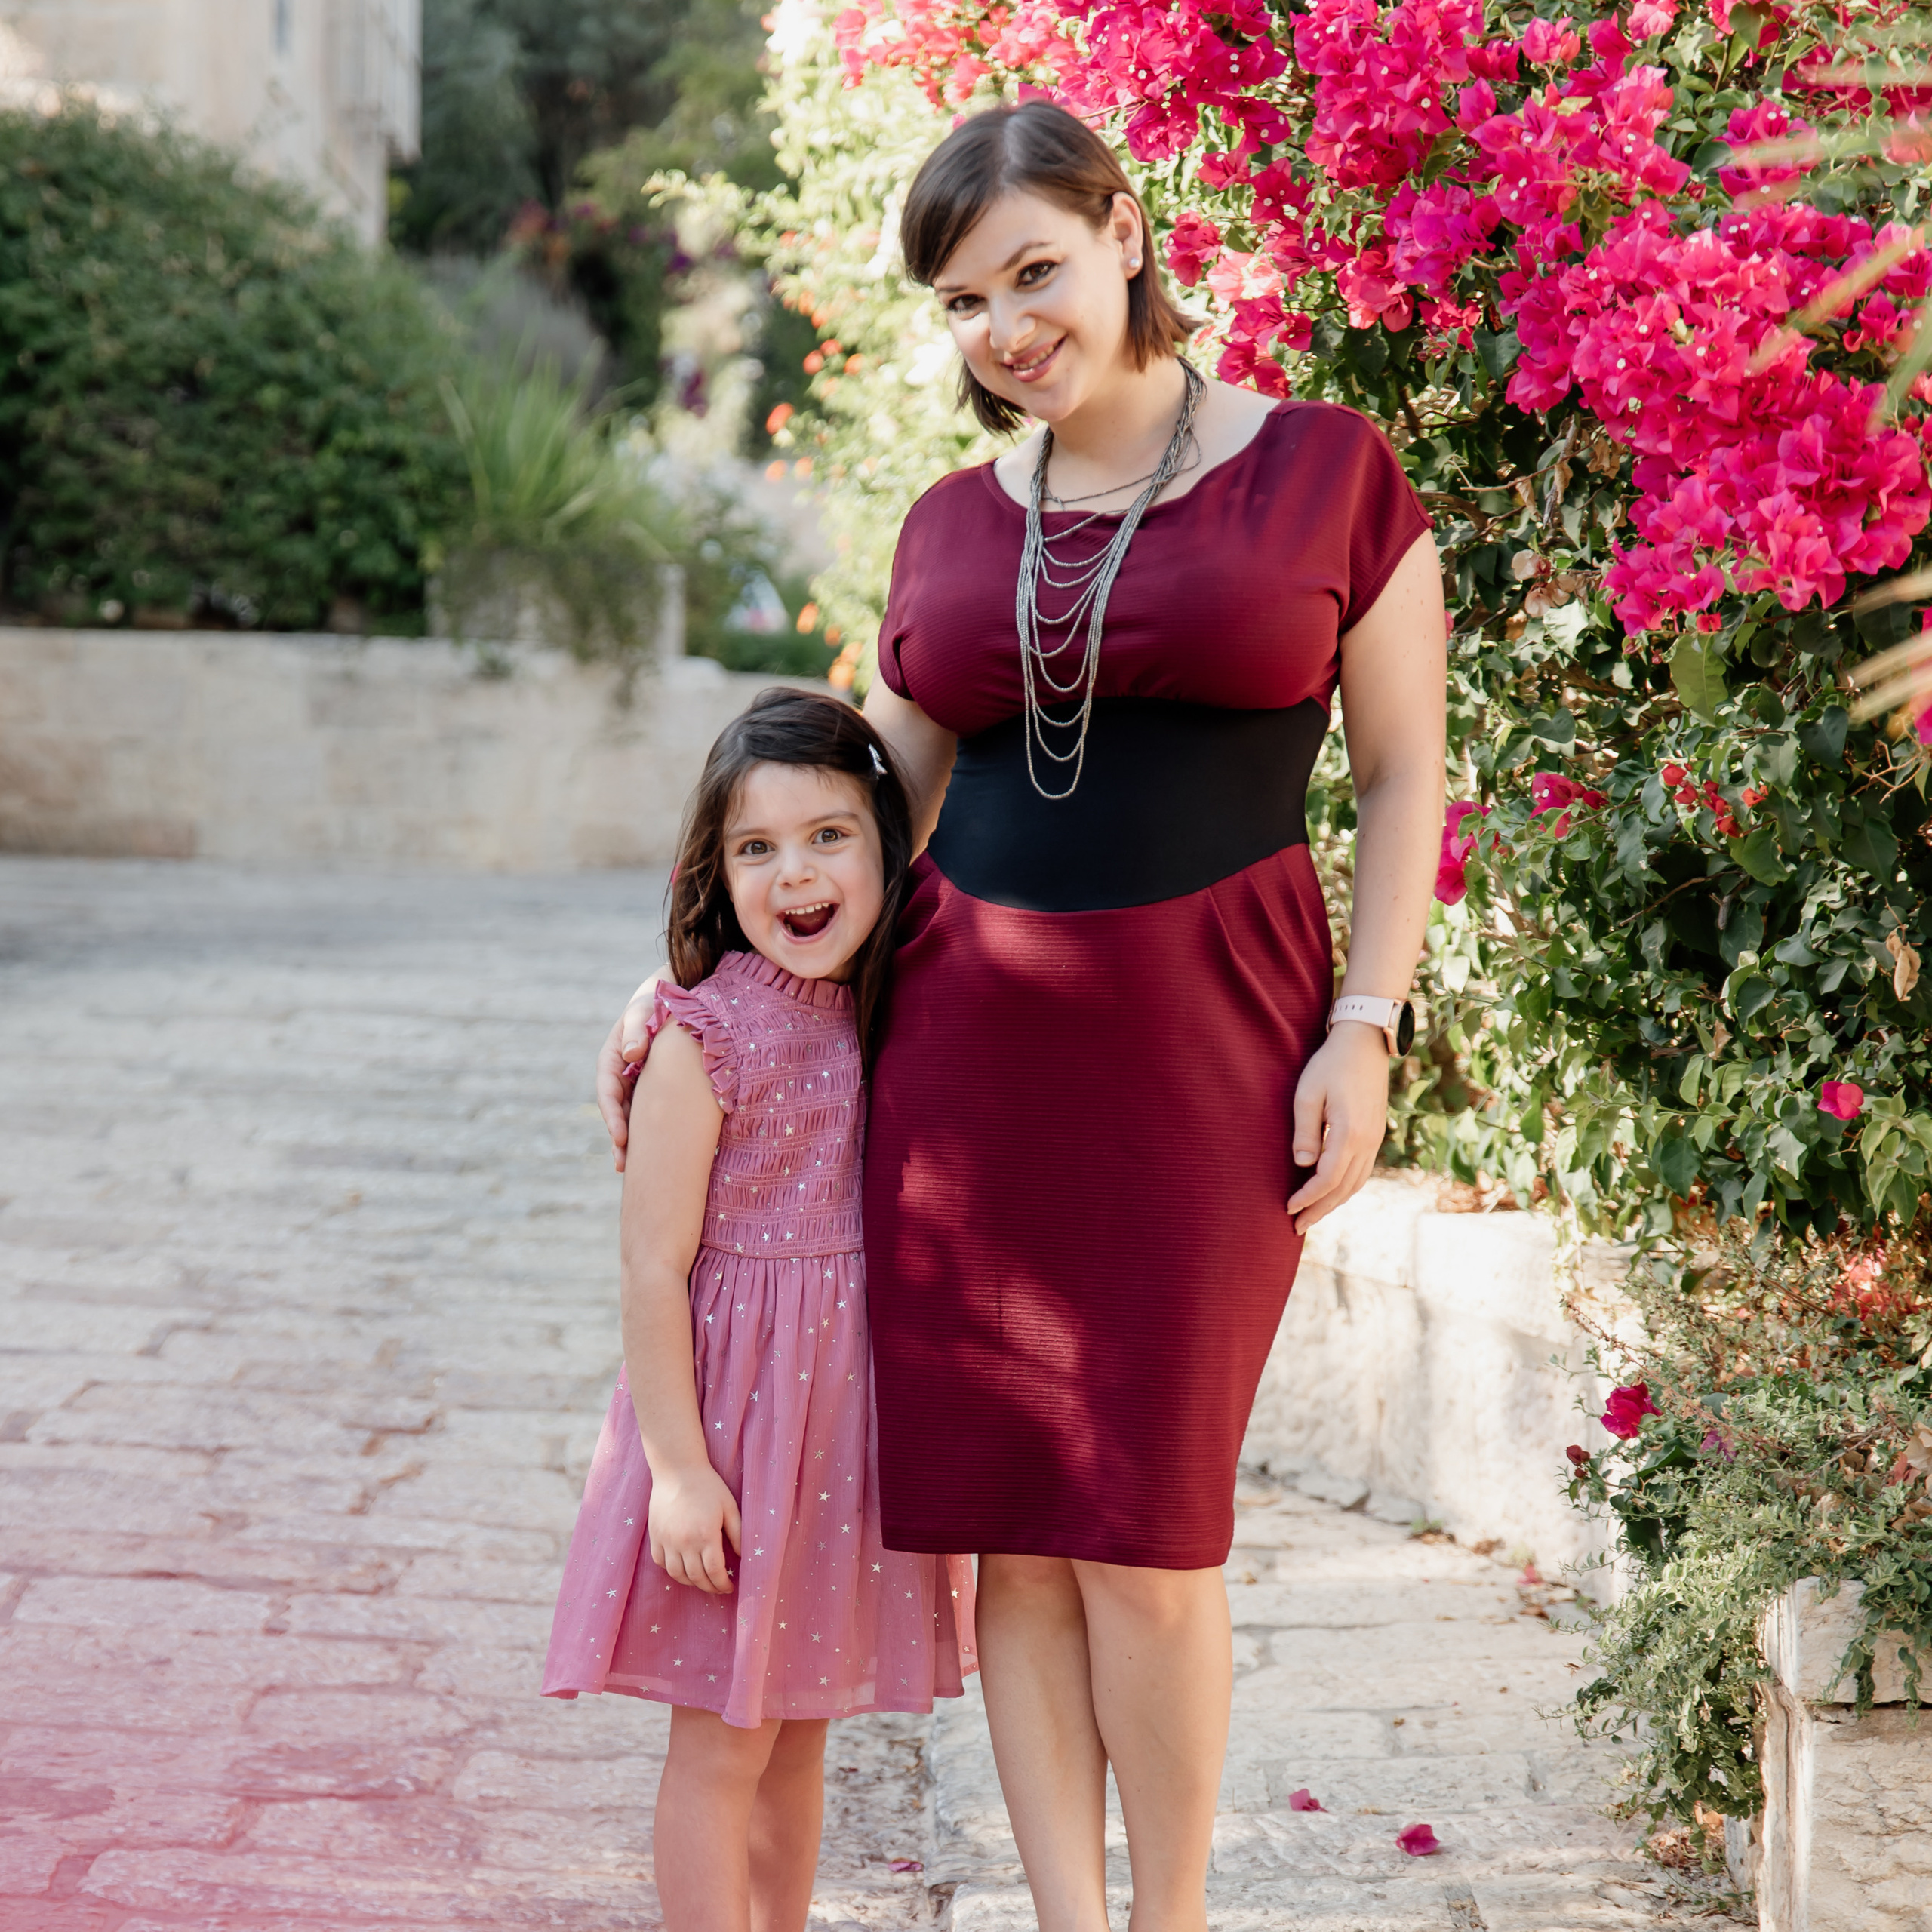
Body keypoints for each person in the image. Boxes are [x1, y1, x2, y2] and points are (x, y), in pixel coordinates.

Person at [598, 103, 1445, 1932]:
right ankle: (1069, 1915)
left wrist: (1365, 1024)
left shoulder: (1328, 473)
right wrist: (694, 969)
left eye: (1032, 272)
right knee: (1015, 1543)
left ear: (1123, 232)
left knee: (1146, 1529)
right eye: (965, 298)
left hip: (1210, 1045)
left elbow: (1397, 781)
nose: (1002, 327)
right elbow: (864, 790)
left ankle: (1168, 1918)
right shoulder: (949, 523)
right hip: (964, 1060)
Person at [548, 688, 977, 1932]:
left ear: (888, 846)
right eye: (757, 848)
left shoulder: (893, 999)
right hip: (730, 1434)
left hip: (840, 1440)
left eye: (828, 836)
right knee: (724, 1743)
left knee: (800, 1742)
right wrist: (677, 1470)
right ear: (713, 870)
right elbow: (650, 1270)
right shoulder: (702, 1038)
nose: (795, 873)